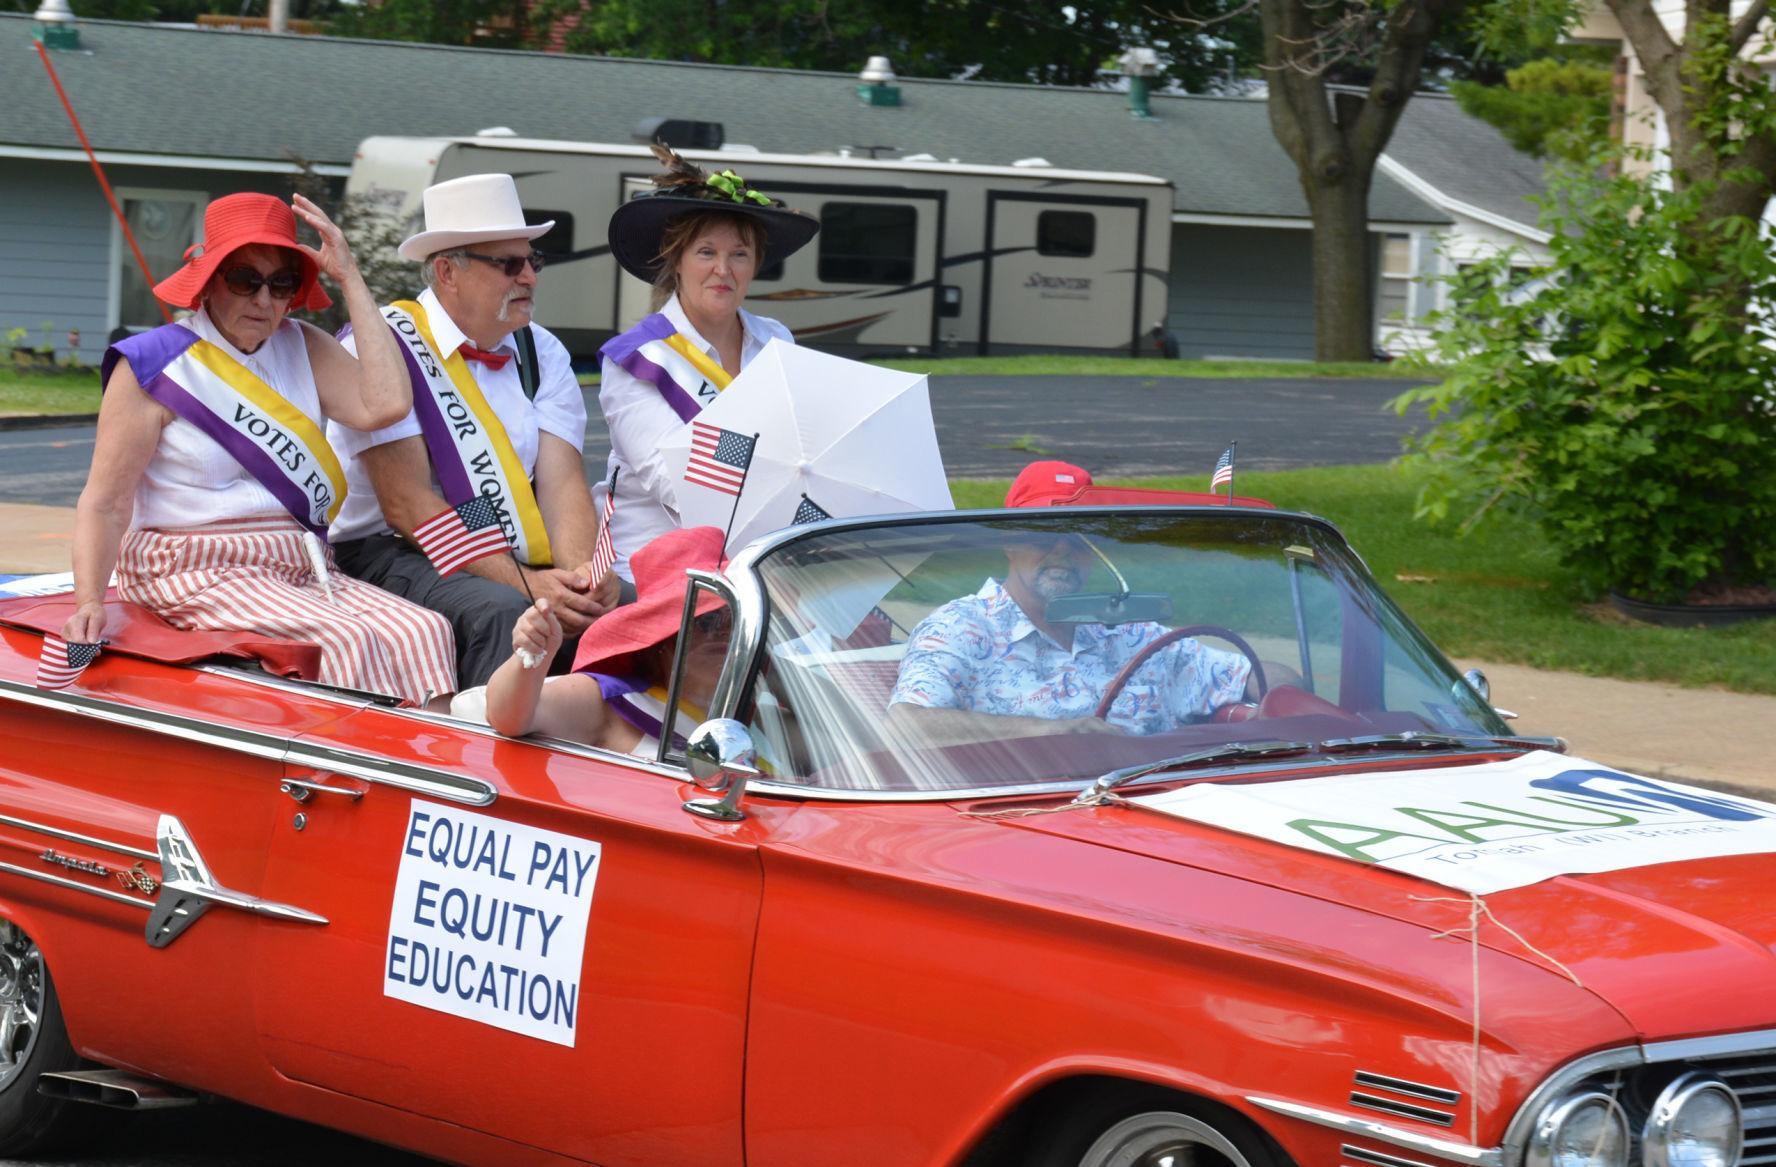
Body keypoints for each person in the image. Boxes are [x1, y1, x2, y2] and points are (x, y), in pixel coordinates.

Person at [64, 192, 455, 706]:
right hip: (190, 568)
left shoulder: (305, 344)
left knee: (424, 630)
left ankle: (425, 776)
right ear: (209, 282)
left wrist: (351, 279)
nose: (264, 300)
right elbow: (105, 500)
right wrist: (89, 599)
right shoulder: (152, 365)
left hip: (299, 562)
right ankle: (334, 778)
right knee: (339, 642)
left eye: (281, 283)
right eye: (245, 280)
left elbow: (385, 404)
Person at [327, 173, 618, 688]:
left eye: (534, 261)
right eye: (509, 264)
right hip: (390, 548)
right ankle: (491, 757)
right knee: (505, 615)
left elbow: (563, 480)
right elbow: (408, 505)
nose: (529, 276)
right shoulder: (383, 346)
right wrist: (527, 583)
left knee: (631, 611)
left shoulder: (541, 349)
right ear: (447, 272)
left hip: (509, 539)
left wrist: (581, 581)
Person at [888, 461, 1262, 743]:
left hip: (1161, 807)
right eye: (1045, 535)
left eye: (1079, 539)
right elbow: (908, 722)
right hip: (1027, 820)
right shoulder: (960, 627)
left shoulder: (1128, 628)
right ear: (1008, 541)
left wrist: (1289, 698)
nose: (1062, 552)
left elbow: (1247, 678)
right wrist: (1052, 733)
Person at [597, 145, 820, 581]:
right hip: (658, 562)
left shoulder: (776, 340)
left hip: (755, 554)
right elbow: (675, 484)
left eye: (739, 254)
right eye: (705, 253)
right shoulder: (636, 358)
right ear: (675, 261)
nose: (723, 269)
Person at [465, 526, 731, 754]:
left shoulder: (757, 708)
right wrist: (530, 654)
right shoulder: (613, 702)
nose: (725, 632)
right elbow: (508, 718)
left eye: (734, 617)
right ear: (662, 641)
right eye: (708, 620)